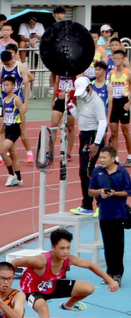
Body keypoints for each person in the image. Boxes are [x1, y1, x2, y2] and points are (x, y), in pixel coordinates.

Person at [14, 228, 118, 318]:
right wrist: (4, 283)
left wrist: (110, 281)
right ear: (53, 247)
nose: (65, 252)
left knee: (88, 288)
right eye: (62, 248)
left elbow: (91, 265)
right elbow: (15, 262)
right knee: (43, 309)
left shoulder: (69, 259)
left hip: (52, 285)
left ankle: (68, 305)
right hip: (33, 290)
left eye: (68, 248)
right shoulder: (40, 261)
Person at [89, 146, 131, 285]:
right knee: (108, 245)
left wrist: (114, 194)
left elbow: (127, 192)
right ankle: (109, 273)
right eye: (100, 157)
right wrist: (100, 191)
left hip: (118, 214)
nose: (101, 160)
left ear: (113, 158)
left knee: (118, 246)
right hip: (104, 214)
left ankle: (117, 273)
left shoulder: (122, 172)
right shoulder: (97, 172)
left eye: (104, 157)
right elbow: (90, 191)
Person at [72, 75, 110, 216]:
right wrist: (72, 109)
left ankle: (98, 204)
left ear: (89, 88)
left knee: (86, 171)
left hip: (92, 137)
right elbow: (83, 119)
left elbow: (102, 122)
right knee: (85, 171)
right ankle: (87, 204)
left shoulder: (96, 102)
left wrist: (96, 143)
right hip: (85, 136)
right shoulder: (86, 101)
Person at [0, 75, 27, 187]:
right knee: (13, 154)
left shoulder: (16, 99)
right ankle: (19, 178)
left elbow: (22, 115)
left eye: (8, 85)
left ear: (13, 86)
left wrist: (23, 130)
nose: (5, 87)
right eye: (4, 85)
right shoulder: (4, 100)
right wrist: (0, 131)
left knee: (2, 151)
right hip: (7, 128)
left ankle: (11, 174)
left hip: (15, 128)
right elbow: (4, 117)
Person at [108, 49, 131, 166]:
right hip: (113, 103)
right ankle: (115, 158)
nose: (115, 60)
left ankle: (130, 155)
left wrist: (129, 103)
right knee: (114, 133)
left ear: (123, 59)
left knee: (126, 131)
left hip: (124, 102)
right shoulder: (111, 73)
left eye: (118, 58)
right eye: (114, 58)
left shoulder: (128, 73)